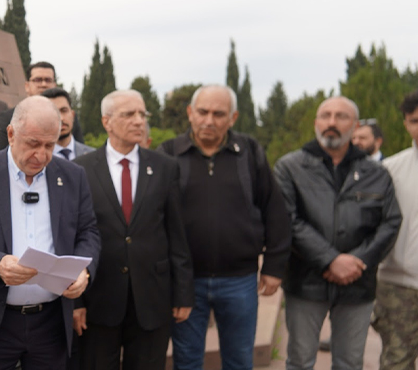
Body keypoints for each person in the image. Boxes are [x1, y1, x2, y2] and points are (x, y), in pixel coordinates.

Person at [0, 96, 101, 369]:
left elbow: (88, 232)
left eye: (49, 146)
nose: (41, 155)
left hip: (51, 322)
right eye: (33, 144)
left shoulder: (73, 175)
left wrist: (83, 272)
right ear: (11, 134)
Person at [159, 85, 291, 370]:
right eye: (203, 112)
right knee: (187, 361)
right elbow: (156, 217)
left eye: (219, 114)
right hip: (186, 282)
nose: (209, 120)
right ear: (190, 113)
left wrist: (273, 266)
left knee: (240, 359)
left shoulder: (249, 152)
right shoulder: (168, 154)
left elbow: (275, 210)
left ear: (233, 118)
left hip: (239, 280)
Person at [273, 96, 401, 370]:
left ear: (354, 126)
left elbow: (390, 222)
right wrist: (331, 260)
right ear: (315, 123)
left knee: (349, 363)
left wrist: (359, 261)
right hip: (305, 281)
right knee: (299, 361)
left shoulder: (376, 173)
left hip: (358, 283)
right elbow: (287, 220)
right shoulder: (290, 167)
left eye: (341, 116)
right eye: (326, 115)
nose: (332, 122)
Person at [73, 90, 193, 370]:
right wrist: (75, 301)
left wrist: (183, 294)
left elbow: (177, 234)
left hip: (153, 299)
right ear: (107, 121)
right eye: (129, 114)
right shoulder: (81, 170)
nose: (139, 121)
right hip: (99, 300)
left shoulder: (165, 167)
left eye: (142, 114)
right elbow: (74, 236)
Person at [372, 92, 418, 370]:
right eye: (415, 120)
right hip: (398, 287)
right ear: (405, 124)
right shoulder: (390, 169)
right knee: (396, 363)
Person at [0, 62, 83, 149]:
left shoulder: (67, 117)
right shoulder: (9, 117)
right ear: (27, 86)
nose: (43, 84)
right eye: (38, 80)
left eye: (48, 80)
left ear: (54, 85)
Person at [42, 87, 94, 160]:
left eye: (64, 110)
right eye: (54, 112)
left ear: (72, 115)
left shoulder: (93, 156)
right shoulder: (38, 160)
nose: (61, 118)